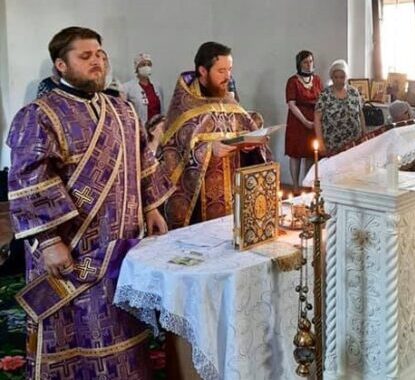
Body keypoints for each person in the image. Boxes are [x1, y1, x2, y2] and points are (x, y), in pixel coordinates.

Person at [7, 26, 174, 379]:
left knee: (121, 322)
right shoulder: (40, 115)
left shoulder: (124, 110)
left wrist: (152, 207)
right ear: (61, 65)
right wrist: (50, 241)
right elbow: (30, 180)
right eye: (85, 57)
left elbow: (144, 162)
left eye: (100, 55)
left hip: (120, 244)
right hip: (71, 249)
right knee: (73, 329)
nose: (97, 62)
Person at [158, 41, 267, 229]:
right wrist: (208, 149)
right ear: (202, 71)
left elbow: (247, 127)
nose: (228, 77)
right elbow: (172, 152)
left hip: (233, 195)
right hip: (198, 203)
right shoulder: (185, 107)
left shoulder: (228, 101)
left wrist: (251, 144)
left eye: (230, 70)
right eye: (221, 71)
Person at [285, 50, 323, 193]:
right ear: (299, 64)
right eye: (306, 62)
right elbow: (291, 104)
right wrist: (305, 121)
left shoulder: (317, 80)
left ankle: (307, 184)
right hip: (297, 121)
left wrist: (317, 121)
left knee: (311, 154)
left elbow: (322, 100)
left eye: (311, 61)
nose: (309, 64)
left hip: (314, 121)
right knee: (296, 154)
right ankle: (295, 186)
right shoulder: (293, 81)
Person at [314, 59, 365, 156]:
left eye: (342, 77)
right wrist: (320, 143)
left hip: (354, 142)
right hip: (333, 144)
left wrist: (365, 134)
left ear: (347, 77)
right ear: (331, 77)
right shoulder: (325, 95)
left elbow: (360, 114)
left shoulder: (354, 92)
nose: (339, 80)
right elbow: (317, 119)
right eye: (336, 77)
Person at [123, 52, 164, 125]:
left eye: (149, 64)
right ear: (137, 68)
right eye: (143, 65)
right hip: (139, 128)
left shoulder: (157, 86)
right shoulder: (127, 87)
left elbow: (161, 109)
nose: (146, 67)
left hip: (156, 128)